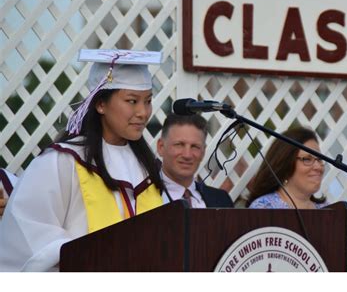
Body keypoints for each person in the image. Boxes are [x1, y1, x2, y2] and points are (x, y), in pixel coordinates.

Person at [0, 49, 165, 272]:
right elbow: (28, 233)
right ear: (100, 105)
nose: (143, 112)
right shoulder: (62, 162)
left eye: (147, 101)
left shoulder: (148, 168)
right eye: (132, 101)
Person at [246, 126, 347, 272]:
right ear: (285, 163)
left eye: (319, 159)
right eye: (307, 159)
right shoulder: (264, 208)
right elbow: (267, 265)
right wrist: (339, 264)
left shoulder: (327, 210)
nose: (318, 167)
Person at [157, 113, 233, 208]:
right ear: (161, 147)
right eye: (179, 144)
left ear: (203, 152)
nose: (187, 155)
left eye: (195, 146)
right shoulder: (140, 199)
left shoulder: (221, 200)